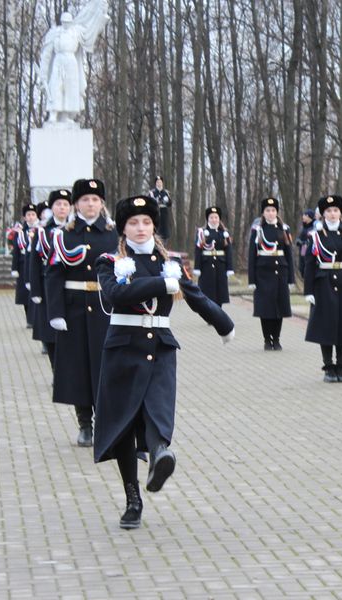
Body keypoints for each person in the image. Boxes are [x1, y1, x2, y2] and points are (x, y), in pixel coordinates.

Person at [94, 195, 235, 529]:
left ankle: (160, 456)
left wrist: (224, 324)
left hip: (160, 347)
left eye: (146, 222)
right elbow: (115, 295)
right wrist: (161, 284)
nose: (140, 228)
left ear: (154, 226)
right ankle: (132, 498)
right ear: (123, 228)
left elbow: (194, 294)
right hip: (122, 349)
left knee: (158, 407)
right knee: (124, 427)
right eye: (133, 223)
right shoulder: (110, 261)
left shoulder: (169, 261)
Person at [45, 178, 118, 447]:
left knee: (104, 368)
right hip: (74, 310)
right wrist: (56, 312)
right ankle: (84, 424)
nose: (90, 204)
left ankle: (104, 422)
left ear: (102, 203)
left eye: (95, 199)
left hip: (105, 309)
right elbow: (53, 274)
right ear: (76, 204)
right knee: (78, 369)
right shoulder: (64, 235)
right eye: (85, 199)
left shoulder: (113, 234)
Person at [304, 195, 342, 382]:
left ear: (340, 213)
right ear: (323, 214)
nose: (332, 214)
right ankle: (328, 367)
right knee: (326, 325)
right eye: (329, 211)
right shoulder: (315, 236)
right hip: (323, 284)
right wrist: (308, 291)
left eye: (336, 211)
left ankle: (341, 365)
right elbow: (309, 265)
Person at [39, 1, 109, 124]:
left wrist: (101, 14)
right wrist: (43, 74)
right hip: (58, 62)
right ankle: (53, 114)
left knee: (70, 88)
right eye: (64, 22)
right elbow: (47, 54)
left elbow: (90, 29)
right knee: (55, 87)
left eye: (68, 22)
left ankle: (66, 114)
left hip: (71, 62)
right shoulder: (54, 33)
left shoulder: (76, 32)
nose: (66, 25)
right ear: (61, 22)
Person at [30, 190, 72, 367]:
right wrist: (35, 290)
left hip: (70, 288)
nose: (62, 208)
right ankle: (56, 370)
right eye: (58, 204)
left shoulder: (74, 229)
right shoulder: (43, 231)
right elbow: (34, 262)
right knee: (51, 334)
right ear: (52, 208)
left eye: (65, 204)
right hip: (48, 289)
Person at [248, 197, 295, 350]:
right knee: (265, 308)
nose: (270, 213)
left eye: (273, 210)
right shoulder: (258, 230)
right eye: (267, 210)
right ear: (263, 213)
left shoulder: (284, 229)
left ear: (277, 212)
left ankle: (277, 338)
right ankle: (267, 339)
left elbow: (289, 254)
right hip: (263, 273)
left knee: (279, 308)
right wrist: (252, 279)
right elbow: (252, 255)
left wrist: (291, 278)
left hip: (281, 272)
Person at [193, 206, 234, 306]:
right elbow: (198, 251)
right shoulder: (202, 233)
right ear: (207, 219)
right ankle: (209, 315)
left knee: (219, 292)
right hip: (206, 265)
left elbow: (228, 251)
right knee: (207, 292)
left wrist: (229, 268)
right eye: (211, 217)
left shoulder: (224, 233)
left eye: (216, 217)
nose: (214, 220)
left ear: (219, 219)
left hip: (221, 265)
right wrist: (197, 268)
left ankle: (218, 314)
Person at [11, 203, 40, 327]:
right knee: (25, 294)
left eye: (33, 214)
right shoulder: (20, 232)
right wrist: (14, 268)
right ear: (24, 217)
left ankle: (35, 319)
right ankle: (29, 318)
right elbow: (16, 252)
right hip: (23, 266)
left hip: (35, 264)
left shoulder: (40, 230)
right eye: (28, 215)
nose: (31, 217)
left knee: (35, 292)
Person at [148, 176, 172, 241]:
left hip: (164, 214)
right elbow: (149, 203)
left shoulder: (166, 192)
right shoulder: (152, 193)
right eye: (158, 182)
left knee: (164, 233)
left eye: (160, 182)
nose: (159, 184)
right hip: (155, 213)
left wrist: (163, 201)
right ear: (156, 183)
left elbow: (169, 203)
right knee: (156, 230)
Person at [295, 209, 316, 277]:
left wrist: (304, 242)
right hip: (303, 250)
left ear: (309, 217)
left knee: (307, 267)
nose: (303, 217)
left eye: (305, 215)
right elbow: (300, 238)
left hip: (310, 252)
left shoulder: (313, 227)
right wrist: (299, 241)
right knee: (302, 267)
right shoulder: (304, 227)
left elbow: (312, 241)